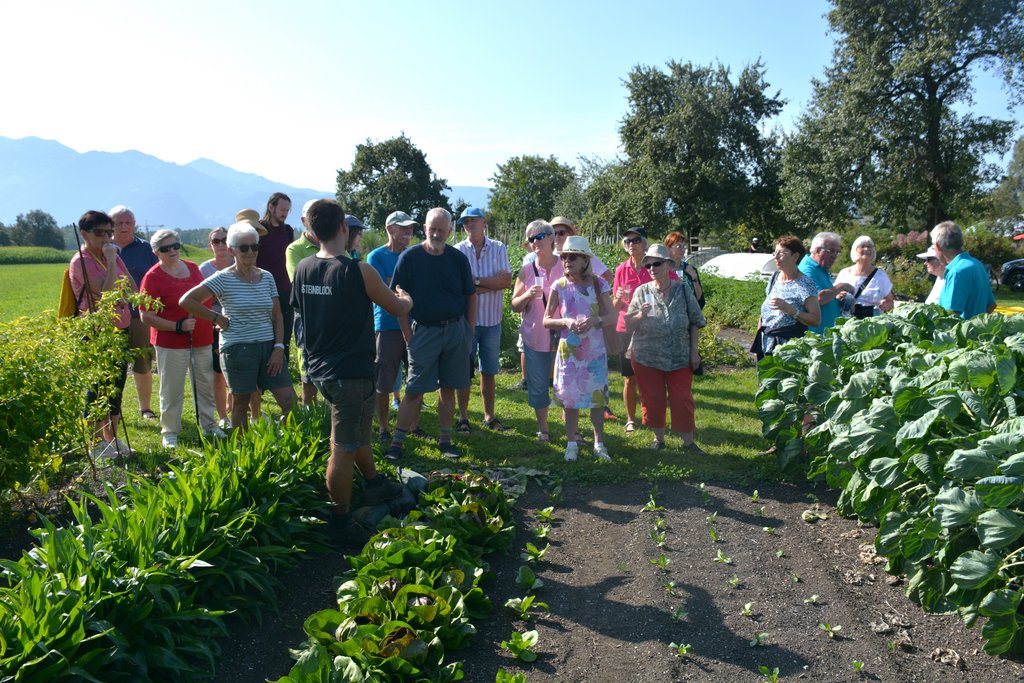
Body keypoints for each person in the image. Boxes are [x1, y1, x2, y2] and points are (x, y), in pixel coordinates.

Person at [292, 199, 412, 545]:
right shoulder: (358, 270)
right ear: (343, 227)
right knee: (342, 447)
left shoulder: (304, 268)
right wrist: (407, 298)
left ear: (313, 230)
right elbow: (395, 307)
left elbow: (301, 312)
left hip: (321, 370)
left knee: (358, 433)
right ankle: (340, 522)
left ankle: (373, 484)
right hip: (351, 372)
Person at [180, 216, 296, 431]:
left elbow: (277, 315)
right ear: (232, 250)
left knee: (289, 401)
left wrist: (279, 347)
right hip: (238, 348)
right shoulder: (223, 278)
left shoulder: (267, 277)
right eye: (244, 248)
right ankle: (242, 447)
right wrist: (216, 318)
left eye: (255, 247)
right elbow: (187, 300)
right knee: (240, 404)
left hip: (268, 347)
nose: (251, 252)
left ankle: (286, 442)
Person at [385, 208, 475, 461]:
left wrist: (469, 331)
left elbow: (471, 296)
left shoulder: (458, 259)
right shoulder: (410, 258)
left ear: (449, 231)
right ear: (424, 228)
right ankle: (397, 443)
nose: (436, 234)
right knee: (414, 389)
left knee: (448, 388)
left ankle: (445, 441)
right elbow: (398, 297)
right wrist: (407, 334)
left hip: (455, 330)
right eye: (432, 229)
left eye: (441, 230)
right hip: (424, 331)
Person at [139, 230, 222, 448]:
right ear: (156, 252)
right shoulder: (152, 277)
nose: (172, 251)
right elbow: (146, 315)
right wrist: (177, 326)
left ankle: (209, 425)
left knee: (205, 384)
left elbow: (205, 296)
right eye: (166, 248)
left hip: (202, 337)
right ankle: (170, 432)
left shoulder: (193, 268)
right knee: (172, 389)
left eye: (176, 246)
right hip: (170, 343)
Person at [625, 243, 706, 450]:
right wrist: (640, 315)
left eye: (657, 264)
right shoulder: (641, 291)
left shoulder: (682, 289)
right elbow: (628, 324)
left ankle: (688, 442)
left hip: (679, 355)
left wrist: (694, 351)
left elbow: (696, 320)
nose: (652, 268)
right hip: (647, 356)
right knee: (652, 398)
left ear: (668, 265)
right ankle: (658, 439)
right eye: (648, 265)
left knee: (682, 398)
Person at [544, 236, 616, 462]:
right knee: (570, 400)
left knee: (597, 400)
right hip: (569, 352)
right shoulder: (559, 286)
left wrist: (595, 320)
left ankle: (599, 444)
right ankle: (571, 443)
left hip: (594, 351)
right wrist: (565, 321)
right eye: (564, 257)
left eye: (572, 257)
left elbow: (613, 316)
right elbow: (546, 320)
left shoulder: (599, 284)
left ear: (585, 260)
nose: (567, 261)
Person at [70, 210, 135, 459]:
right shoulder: (82, 261)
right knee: (97, 386)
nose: (107, 237)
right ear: (84, 234)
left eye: (110, 232)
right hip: (96, 330)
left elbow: (132, 289)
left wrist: (113, 263)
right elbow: (107, 295)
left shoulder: (112, 256)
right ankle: (97, 442)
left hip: (119, 327)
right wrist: (111, 263)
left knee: (116, 384)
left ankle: (113, 439)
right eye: (100, 233)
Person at [454, 207, 513, 433]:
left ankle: (489, 416)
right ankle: (463, 416)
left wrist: (475, 282)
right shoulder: (458, 251)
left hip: (491, 321)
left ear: (484, 222)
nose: (469, 224)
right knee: (464, 370)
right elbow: (459, 287)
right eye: (466, 222)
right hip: (466, 321)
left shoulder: (498, 248)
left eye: (474, 220)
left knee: (489, 370)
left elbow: (505, 282)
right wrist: (490, 283)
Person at [614, 227, 673, 433]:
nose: (631, 244)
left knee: (653, 376)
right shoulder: (621, 269)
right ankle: (631, 419)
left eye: (636, 240)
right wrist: (618, 298)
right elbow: (615, 306)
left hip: (652, 328)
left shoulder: (655, 264)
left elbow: (673, 285)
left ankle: (655, 418)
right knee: (629, 377)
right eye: (628, 241)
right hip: (626, 327)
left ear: (644, 243)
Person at [367, 210, 419, 443]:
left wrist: (396, 285)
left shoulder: (412, 255)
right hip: (387, 326)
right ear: (390, 229)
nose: (409, 231)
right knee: (383, 382)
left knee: (416, 377)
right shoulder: (376, 256)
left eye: (411, 227)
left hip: (414, 324)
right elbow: (383, 290)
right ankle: (383, 428)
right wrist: (400, 287)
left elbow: (404, 286)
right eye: (404, 227)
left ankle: (413, 425)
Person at [510, 220, 563, 444]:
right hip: (535, 336)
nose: (535, 242)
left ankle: (572, 430)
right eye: (531, 239)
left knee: (567, 384)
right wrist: (527, 295)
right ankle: (544, 429)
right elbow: (514, 305)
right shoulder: (527, 270)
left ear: (551, 238)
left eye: (539, 237)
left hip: (564, 335)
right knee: (539, 386)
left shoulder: (566, 265)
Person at [109, 205, 158, 420]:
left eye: (128, 222)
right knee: (112, 366)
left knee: (142, 362)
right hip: (110, 318)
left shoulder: (146, 249)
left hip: (139, 317)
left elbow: (157, 277)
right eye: (119, 223)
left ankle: (145, 408)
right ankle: (112, 410)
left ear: (134, 225)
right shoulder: (103, 249)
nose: (124, 226)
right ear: (111, 225)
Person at [752, 236, 821, 359]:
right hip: (766, 344)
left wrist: (790, 309)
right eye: (775, 252)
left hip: (789, 350)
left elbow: (816, 320)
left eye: (782, 253)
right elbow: (764, 315)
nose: (776, 257)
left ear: (795, 256)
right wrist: (758, 339)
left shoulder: (805, 284)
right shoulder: (774, 278)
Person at [286, 199, 325, 407]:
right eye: (314, 217)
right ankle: (310, 413)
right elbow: (299, 282)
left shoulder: (334, 244)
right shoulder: (295, 249)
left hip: (331, 316)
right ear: (303, 220)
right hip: (307, 316)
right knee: (308, 371)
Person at [199, 226, 237, 428]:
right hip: (212, 324)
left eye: (224, 240)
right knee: (218, 372)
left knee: (237, 369)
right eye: (216, 241)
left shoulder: (239, 263)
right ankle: (223, 416)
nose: (220, 244)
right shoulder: (204, 269)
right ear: (210, 245)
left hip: (238, 321)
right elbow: (199, 299)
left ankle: (236, 408)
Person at [932, 220, 996, 319]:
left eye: (933, 247)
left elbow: (949, 315)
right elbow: (991, 305)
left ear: (938, 246)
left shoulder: (957, 272)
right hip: (978, 327)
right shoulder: (978, 265)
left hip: (962, 329)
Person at [257, 192, 296, 352]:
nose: (285, 214)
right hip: (263, 291)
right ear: (271, 207)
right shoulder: (258, 229)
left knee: (284, 339)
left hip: (285, 291)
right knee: (265, 338)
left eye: (287, 210)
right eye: (282, 210)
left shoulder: (288, 230)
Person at [798, 232, 853, 333]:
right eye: (831, 251)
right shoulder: (807, 269)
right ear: (818, 250)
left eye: (837, 252)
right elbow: (818, 298)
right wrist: (841, 286)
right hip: (814, 336)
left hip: (824, 334)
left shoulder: (821, 268)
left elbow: (825, 296)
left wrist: (838, 298)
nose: (835, 256)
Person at [834, 236, 895, 319]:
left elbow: (890, 302)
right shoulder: (845, 273)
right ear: (855, 250)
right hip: (847, 320)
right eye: (862, 246)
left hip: (871, 321)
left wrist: (885, 305)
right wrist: (840, 296)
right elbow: (834, 296)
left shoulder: (881, 275)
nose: (867, 249)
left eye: (870, 246)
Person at [664, 231, 704, 308]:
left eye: (684, 246)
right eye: (679, 246)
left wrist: (694, 278)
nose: (683, 249)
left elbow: (699, 297)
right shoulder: (662, 269)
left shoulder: (689, 269)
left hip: (688, 312)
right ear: (668, 248)